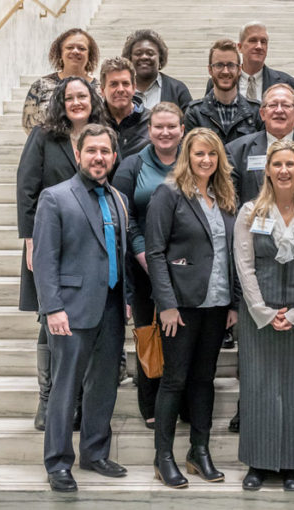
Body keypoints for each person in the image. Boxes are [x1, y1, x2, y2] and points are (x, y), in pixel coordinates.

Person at [32, 124, 130, 492]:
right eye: (92, 151)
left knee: (103, 385)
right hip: (70, 310)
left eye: (105, 151)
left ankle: (94, 452)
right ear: (78, 154)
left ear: (114, 156)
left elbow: (116, 254)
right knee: (66, 387)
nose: (99, 157)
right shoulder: (55, 198)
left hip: (111, 306)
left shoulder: (117, 199)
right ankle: (58, 462)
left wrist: (127, 300)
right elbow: (44, 260)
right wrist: (52, 308)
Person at [234, 140, 294, 491]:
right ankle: (257, 463)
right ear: (268, 170)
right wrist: (262, 310)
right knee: (258, 388)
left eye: (290, 164)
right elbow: (244, 268)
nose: (284, 170)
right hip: (257, 313)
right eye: (277, 164)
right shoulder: (250, 212)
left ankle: (293, 464)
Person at [144, 128, 238, 489]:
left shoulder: (224, 196)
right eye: (199, 153)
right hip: (181, 306)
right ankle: (163, 457)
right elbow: (155, 252)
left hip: (216, 304)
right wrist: (166, 304)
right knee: (175, 380)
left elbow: (232, 252)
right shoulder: (168, 194)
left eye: (212, 155)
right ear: (187, 155)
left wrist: (233, 302)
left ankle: (199, 451)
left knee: (204, 379)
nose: (206, 160)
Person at [16, 76, 105, 432]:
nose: (77, 102)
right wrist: (29, 240)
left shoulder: (102, 136)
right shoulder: (43, 136)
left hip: (90, 242)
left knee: (84, 322)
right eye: (70, 97)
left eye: (82, 96)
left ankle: (79, 401)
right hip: (49, 241)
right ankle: (48, 399)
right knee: (48, 322)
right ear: (61, 102)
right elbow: (27, 188)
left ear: (91, 99)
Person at [112, 102, 185, 430]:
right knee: (149, 333)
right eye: (159, 127)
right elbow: (122, 215)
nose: (165, 132)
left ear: (182, 128)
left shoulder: (194, 159)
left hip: (188, 267)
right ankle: (150, 401)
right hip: (143, 268)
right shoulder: (132, 165)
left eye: (172, 126)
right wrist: (143, 254)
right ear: (149, 129)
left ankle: (182, 401)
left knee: (184, 334)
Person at [185, 39, 263, 145]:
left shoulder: (256, 112)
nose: (225, 71)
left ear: (239, 69)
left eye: (231, 65)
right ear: (210, 70)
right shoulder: (195, 113)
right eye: (219, 65)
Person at [22, 28, 100, 134]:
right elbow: (29, 125)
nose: (75, 51)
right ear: (60, 53)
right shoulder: (41, 86)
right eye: (69, 47)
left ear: (89, 55)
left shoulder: (100, 89)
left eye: (82, 48)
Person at [206, 21, 294, 100]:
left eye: (263, 42)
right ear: (240, 47)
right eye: (253, 40)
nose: (259, 46)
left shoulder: (288, 83)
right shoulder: (217, 82)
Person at [121, 29, 192, 111]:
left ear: (160, 57)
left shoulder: (177, 89)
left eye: (150, 53)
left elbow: (188, 122)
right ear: (129, 58)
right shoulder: (120, 89)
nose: (144, 57)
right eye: (138, 53)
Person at [100, 57, 150, 161]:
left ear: (134, 88)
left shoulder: (152, 122)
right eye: (113, 84)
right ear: (102, 90)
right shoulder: (93, 120)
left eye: (125, 83)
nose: (121, 89)